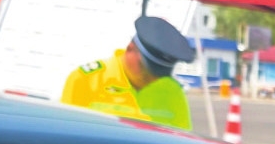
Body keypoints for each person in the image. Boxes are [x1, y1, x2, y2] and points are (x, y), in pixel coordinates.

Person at [60, 15, 196, 131]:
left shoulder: (172, 91)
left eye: (159, 74)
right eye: (147, 70)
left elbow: (181, 142)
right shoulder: (85, 80)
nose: (152, 79)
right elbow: (68, 135)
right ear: (130, 49)